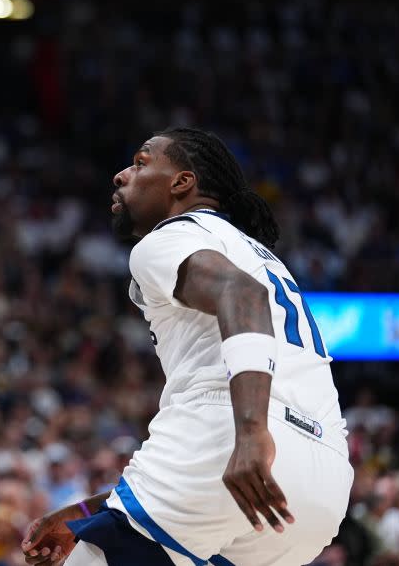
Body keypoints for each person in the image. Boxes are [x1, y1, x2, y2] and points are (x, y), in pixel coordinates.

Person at [22, 128, 353, 566]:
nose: (121, 175)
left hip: (238, 436)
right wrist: (87, 512)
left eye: (140, 163)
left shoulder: (170, 237)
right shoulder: (259, 255)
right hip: (322, 483)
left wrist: (251, 432)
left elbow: (242, 294)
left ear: (182, 182)